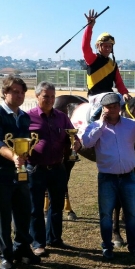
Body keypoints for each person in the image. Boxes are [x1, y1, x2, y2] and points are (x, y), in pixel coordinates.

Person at [82, 92, 135, 260]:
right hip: (107, 178)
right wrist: (101, 125)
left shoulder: (131, 125)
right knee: (106, 215)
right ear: (103, 108)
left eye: (115, 106)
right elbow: (87, 143)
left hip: (128, 177)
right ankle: (107, 247)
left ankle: (134, 246)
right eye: (109, 107)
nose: (113, 110)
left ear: (120, 107)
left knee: (131, 213)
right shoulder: (95, 126)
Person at [27, 81, 82, 257]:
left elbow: (72, 136)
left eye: (52, 96)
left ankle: (54, 238)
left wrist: (76, 144)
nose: (50, 100)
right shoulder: (27, 118)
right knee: (35, 209)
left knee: (56, 206)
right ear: (37, 97)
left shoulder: (61, 117)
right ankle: (38, 243)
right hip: (36, 169)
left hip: (58, 168)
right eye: (46, 96)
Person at [0, 76, 41, 269]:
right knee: (3, 217)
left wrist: (24, 157)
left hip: (22, 173)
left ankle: (22, 249)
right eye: (15, 91)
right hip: (2, 173)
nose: (20, 95)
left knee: (24, 212)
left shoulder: (24, 117)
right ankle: (5, 255)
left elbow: (26, 143)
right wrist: (14, 157)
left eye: (22, 92)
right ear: (5, 92)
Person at [82, 9, 131, 122]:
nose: (108, 49)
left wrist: (125, 93)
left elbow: (119, 83)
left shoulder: (113, 64)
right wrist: (90, 27)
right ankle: (93, 120)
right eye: (105, 46)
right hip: (95, 97)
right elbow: (85, 46)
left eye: (110, 46)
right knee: (114, 98)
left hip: (110, 97)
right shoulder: (92, 59)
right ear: (99, 46)